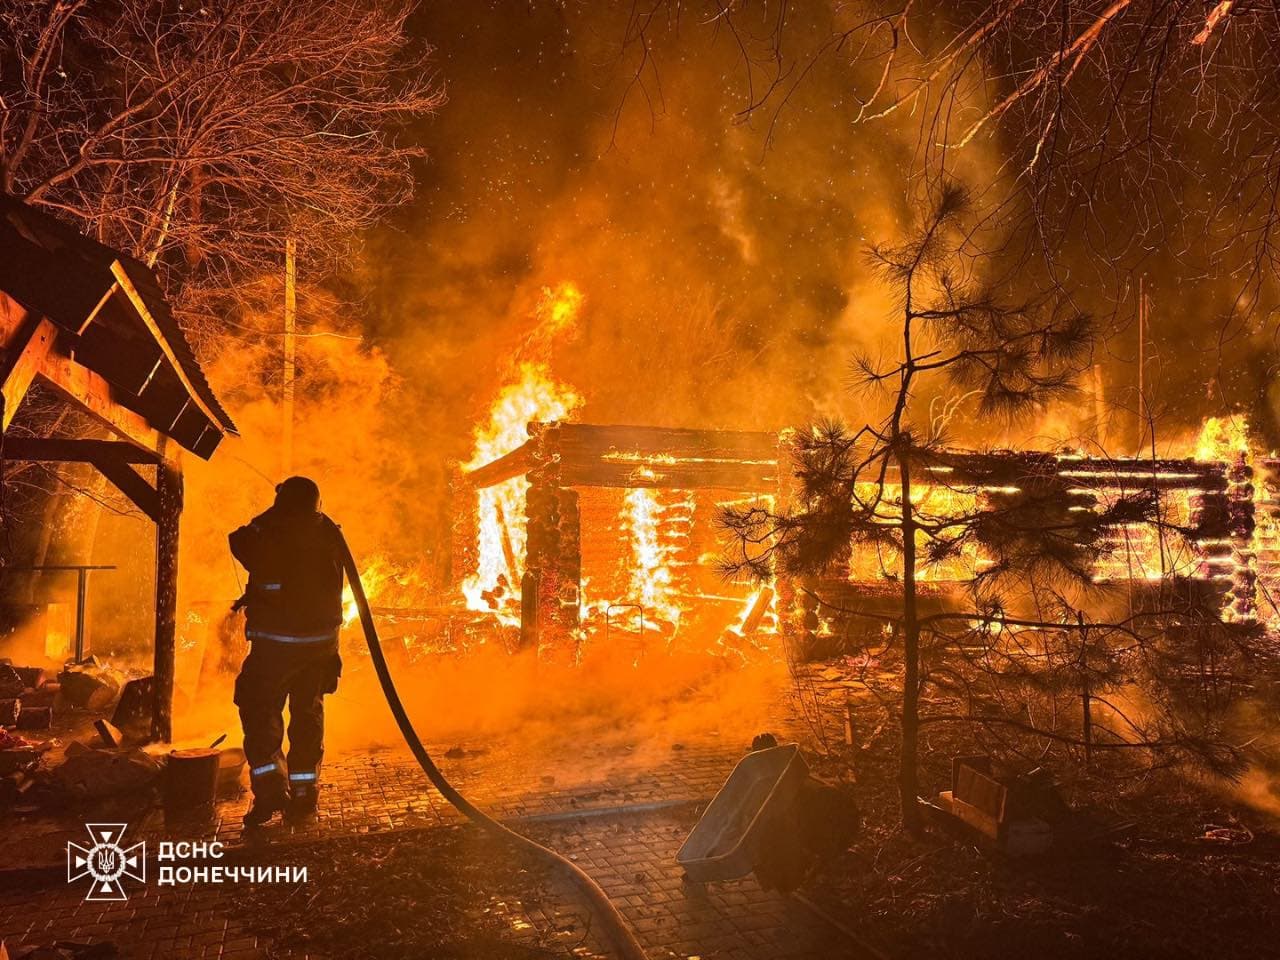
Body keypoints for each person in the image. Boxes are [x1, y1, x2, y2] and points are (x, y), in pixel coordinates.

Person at [229, 476, 344, 826]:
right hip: (320, 648)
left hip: (275, 647)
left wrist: (272, 510)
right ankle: (305, 795)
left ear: (283, 503)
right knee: (307, 718)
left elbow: (238, 540)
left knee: (260, 714)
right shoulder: (329, 533)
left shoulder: (269, 532)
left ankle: (269, 795)